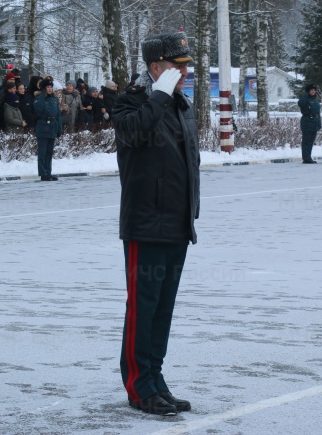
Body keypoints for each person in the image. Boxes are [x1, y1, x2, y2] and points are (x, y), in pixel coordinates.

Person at [114, 32, 199, 416]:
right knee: (142, 308)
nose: (185, 72)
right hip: (145, 223)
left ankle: (155, 378)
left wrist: (190, 214)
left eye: (186, 66)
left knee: (163, 309)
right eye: (177, 66)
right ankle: (137, 385)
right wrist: (159, 95)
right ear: (156, 68)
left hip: (176, 224)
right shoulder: (130, 103)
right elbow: (137, 132)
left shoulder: (181, 104)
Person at [33, 78, 62, 181]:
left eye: (51, 87)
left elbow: (58, 115)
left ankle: (48, 172)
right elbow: (38, 110)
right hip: (43, 126)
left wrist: (59, 128)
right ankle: (43, 173)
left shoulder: (54, 99)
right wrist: (42, 96)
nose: (50, 89)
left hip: (52, 126)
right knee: (42, 152)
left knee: (49, 152)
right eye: (47, 87)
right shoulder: (39, 99)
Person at [298, 83, 321, 164]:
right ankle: (306, 158)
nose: (313, 92)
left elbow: (318, 113)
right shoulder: (305, 99)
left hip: (314, 122)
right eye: (311, 90)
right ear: (308, 91)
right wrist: (305, 95)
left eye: (314, 90)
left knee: (311, 142)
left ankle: (309, 157)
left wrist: (319, 124)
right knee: (306, 141)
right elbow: (300, 104)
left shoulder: (315, 100)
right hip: (307, 121)